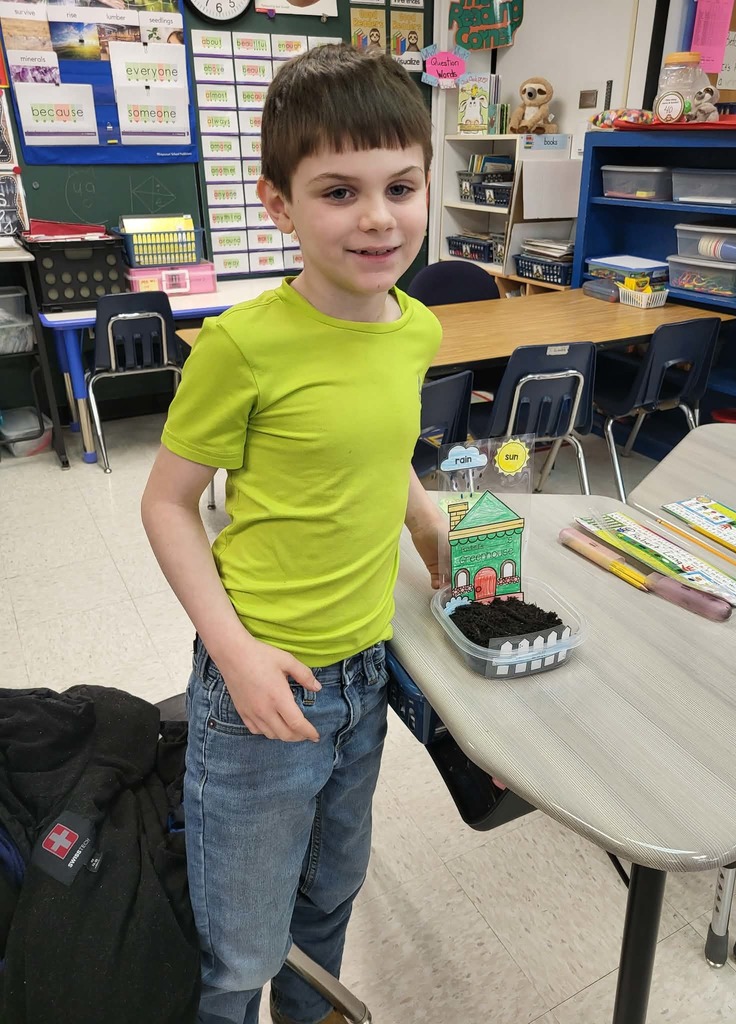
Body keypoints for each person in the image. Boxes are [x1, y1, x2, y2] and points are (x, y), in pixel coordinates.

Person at [141, 42, 444, 1024]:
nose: (377, 216)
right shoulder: (243, 344)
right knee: (238, 946)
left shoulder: (414, 327)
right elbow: (167, 502)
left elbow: (379, 443)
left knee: (328, 900)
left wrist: (429, 517)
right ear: (280, 205)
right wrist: (235, 655)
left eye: (401, 185)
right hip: (259, 687)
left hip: (367, 671)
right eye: (338, 190)